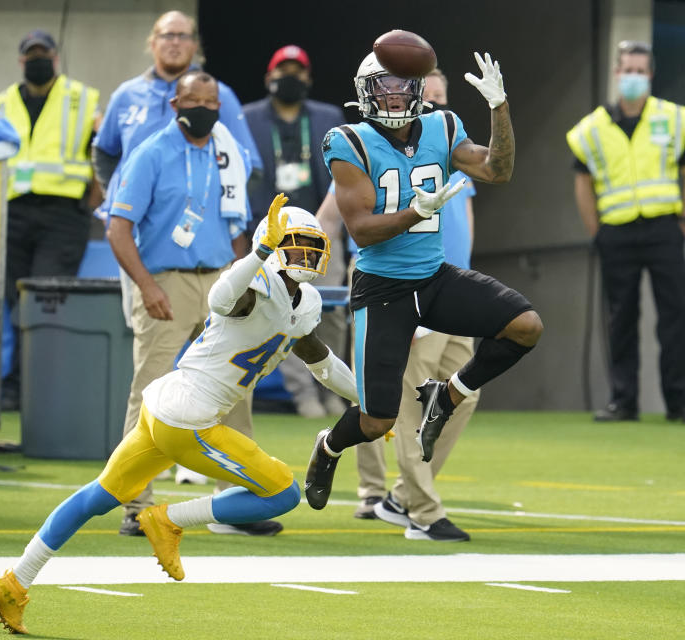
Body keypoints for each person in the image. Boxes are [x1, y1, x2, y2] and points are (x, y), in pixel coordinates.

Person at [0, 194, 357, 634]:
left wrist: (367, 402)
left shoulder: (307, 301)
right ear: (271, 245)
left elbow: (324, 363)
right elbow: (221, 300)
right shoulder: (254, 285)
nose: (306, 256)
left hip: (167, 407)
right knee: (283, 494)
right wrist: (257, 254)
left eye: (312, 248)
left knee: (98, 497)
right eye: (294, 245)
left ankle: (15, 581)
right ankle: (169, 519)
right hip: (190, 416)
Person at [304, 48, 543, 511]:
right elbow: (361, 230)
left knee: (526, 325)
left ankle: (447, 396)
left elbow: (498, 168)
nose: (394, 98)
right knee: (376, 420)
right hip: (383, 288)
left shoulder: (443, 126)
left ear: (417, 91)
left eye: (402, 88)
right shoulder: (348, 141)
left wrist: (500, 107)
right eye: (384, 89)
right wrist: (418, 211)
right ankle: (329, 446)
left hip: (434, 276)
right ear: (365, 93)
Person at [106, 70, 278, 538]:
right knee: (151, 387)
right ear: (175, 105)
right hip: (168, 280)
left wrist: (246, 277)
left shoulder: (226, 155)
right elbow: (118, 228)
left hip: (221, 278)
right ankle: (136, 504)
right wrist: (147, 286)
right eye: (193, 100)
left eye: (211, 101)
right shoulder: (152, 154)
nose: (203, 108)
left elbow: (237, 225)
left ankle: (237, 503)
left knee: (236, 386)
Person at [348, 70, 480, 541]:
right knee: (405, 401)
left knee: (464, 390)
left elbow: (464, 213)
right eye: (430, 99)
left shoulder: (446, 141)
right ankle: (419, 509)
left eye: (443, 101)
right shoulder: (368, 147)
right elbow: (347, 215)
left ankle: (401, 495)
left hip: (448, 281)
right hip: (400, 285)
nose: (437, 110)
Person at [567, 41, 685, 425]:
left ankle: (681, 401)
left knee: (676, 314)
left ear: (651, 75)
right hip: (616, 232)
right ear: (616, 73)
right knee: (620, 318)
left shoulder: (674, 117)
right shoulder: (591, 129)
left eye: (640, 71)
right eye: (627, 69)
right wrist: (595, 230)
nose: (633, 76)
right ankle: (623, 401)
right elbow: (583, 181)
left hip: (666, 228)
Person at [0, 29, 100, 411]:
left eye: (44, 54)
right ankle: (16, 385)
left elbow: (103, 154)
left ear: (55, 58)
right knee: (16, 301)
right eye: (30, 55)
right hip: (14, 212)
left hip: (62, 215)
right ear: (21, 61)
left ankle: (46, 385)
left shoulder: (83, 99)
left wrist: (91, 202)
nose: (37, 60)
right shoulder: (1, 103)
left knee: (48, 299)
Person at [243, 45, 347, 418]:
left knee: (332, 310)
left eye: (298, 71)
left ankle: (330, 387)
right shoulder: (248, 118)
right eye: (283, 70)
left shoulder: (327, 117)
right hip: (273, 235)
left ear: (309, 78)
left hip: (322, 231)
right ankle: (302, 393)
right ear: (269, 76)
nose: (291, 77)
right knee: (282, 311)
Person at [92, 10, 261, 219]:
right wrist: (117, 195)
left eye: (183, 36)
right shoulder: (126, 94)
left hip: (191, 224)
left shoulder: (218, 94)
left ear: (195, 45)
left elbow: (251, 168)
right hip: (131, 221)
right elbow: (104, 151)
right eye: (167, 35)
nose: (175, 42)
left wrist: (214, 214)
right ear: (153, 43)